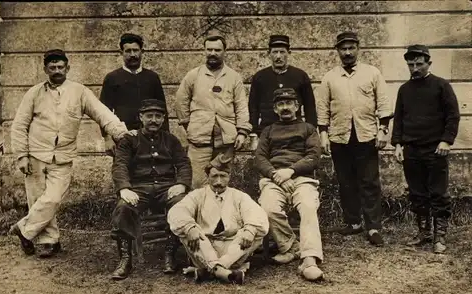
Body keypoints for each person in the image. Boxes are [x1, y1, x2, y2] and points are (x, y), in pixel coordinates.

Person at [9, 49, 128, 258]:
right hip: (35, 154)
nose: (56, 71)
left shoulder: (79, 92)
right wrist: (22, 155)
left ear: (68, 68)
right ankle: (49, 241)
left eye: (60, 67)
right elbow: (19, 125)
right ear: (45, 69)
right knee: (37, 200)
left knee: (53, 199)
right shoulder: (34, 93)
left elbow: (102, 113)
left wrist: (121, 134)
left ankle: (24, 230)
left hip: (63, 156)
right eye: (52, 67)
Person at [316, 31, 393, 246]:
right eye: (343, 48)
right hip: (340, 137)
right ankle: (353, 223)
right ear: (338, 51)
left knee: (369, 182)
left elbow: (384, 104)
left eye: (351, 48)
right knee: (346, 183)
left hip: (366, 135)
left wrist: (383, 131)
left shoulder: (372, 73)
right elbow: (323, 108)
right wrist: (323, 134)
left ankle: (373, 227)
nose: (348, 52)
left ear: (358, 48)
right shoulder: (330, 77)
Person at [110, 99, 192, 280]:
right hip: (139, 188)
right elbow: (120, 165)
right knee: (124, 207)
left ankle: (170, 254)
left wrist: (181, 184)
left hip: (166, 187)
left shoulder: (171, 140)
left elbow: (183, 164)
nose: (153, 120)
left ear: (163, 119)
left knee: (181, 204)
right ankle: (125, 259)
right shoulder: (129, 140)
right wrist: (124, 188)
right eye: (149, 116)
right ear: (141, 117)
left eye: (158, 116)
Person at [391, 45, 460, 254]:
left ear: (429, 63)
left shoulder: (441, 86)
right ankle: (424, 233)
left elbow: (453, 116)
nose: (415, 68)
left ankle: (440, 236)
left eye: (419, 64)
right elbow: (399, 119)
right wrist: (397, 145)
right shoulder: (404, 89)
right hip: (411, 150)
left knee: (438, 193)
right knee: (417, 193)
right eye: (411, 64)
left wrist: (446, 141)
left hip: (435, 150)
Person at [167, 149, 269, 285]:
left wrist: (250, 230)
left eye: (223, 176)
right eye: (214, 176)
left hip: (233, 250)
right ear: (208, 177)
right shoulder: (197, 195)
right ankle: (224, 272)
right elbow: (177, 212)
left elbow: (256, 213)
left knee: (255, 230)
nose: (218, 182)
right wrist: (190, 228)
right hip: (204, 248)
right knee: (188, 230)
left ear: (229, 177)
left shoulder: (238, 196)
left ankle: (212, 270)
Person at [255, 88, 324, 281]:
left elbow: (314, 156)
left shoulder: (308, 129)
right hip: (274, 179)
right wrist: (276, 176)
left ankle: (309, 258)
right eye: (280, 104)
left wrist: (291, 171)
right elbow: (260, 158)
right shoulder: (268, 131)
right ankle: (291, 246)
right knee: (268, 209)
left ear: (297, 106)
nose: (285, 108)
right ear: (275, 109)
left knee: (308, 206)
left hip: (301, 178)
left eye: (289, 103)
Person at [175, 34, 252, 189]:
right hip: (199, 137)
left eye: (217, 50)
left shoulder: (233, 77)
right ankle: (200, 212)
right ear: (204, 51)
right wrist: (188, 124)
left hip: (225, 138)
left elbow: (241, 105)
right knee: (197, 182)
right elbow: (180, 100)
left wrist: (242, 132)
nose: (212, 53)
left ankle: (222, 212)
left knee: (221, 180)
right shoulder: (193, 75)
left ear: (224, 51)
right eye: (209, 49)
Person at [100, 33, 168, 155]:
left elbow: (162, 109)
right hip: (122, 137)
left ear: (142, 52)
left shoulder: (152, 77)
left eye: (136, 50)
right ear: (121, 52)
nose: (132, 55)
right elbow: (104, 111)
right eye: (128, 51)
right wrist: (107, 138)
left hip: (150, 136)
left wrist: (165, 138)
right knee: (123, 171)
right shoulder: (112, 78)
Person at [248, 35, 317, 137]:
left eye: (282, 52)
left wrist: (311, 132)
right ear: (269, 54)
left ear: (288, 53)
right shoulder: (260, 77)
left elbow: (310, 107)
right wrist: (254, 131)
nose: (278, 56)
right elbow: (253, 107)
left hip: (295, 132)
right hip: (267, 132)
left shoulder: (300, 76)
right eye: (275, 52)